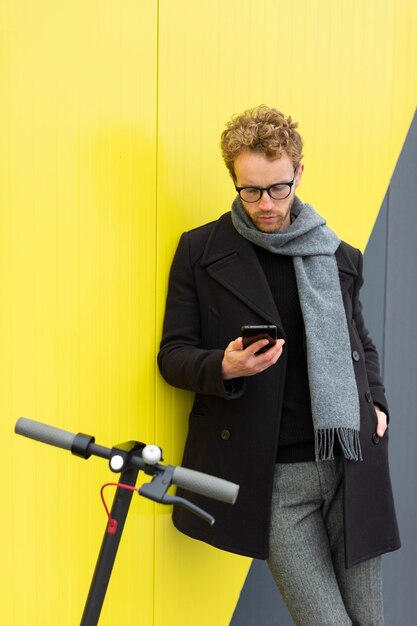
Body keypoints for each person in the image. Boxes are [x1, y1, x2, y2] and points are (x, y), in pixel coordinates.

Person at [157, 105, 400, 625]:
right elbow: (173, 355)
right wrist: (224, 366)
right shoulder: (201, 251)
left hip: (349, 462)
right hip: (272, 478)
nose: (265, 204)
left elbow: (361, 342)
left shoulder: (338, 254)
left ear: (298, 173)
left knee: (369, 620)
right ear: (234, 180)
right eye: (250, 190)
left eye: (277, 188)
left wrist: (376, 403)